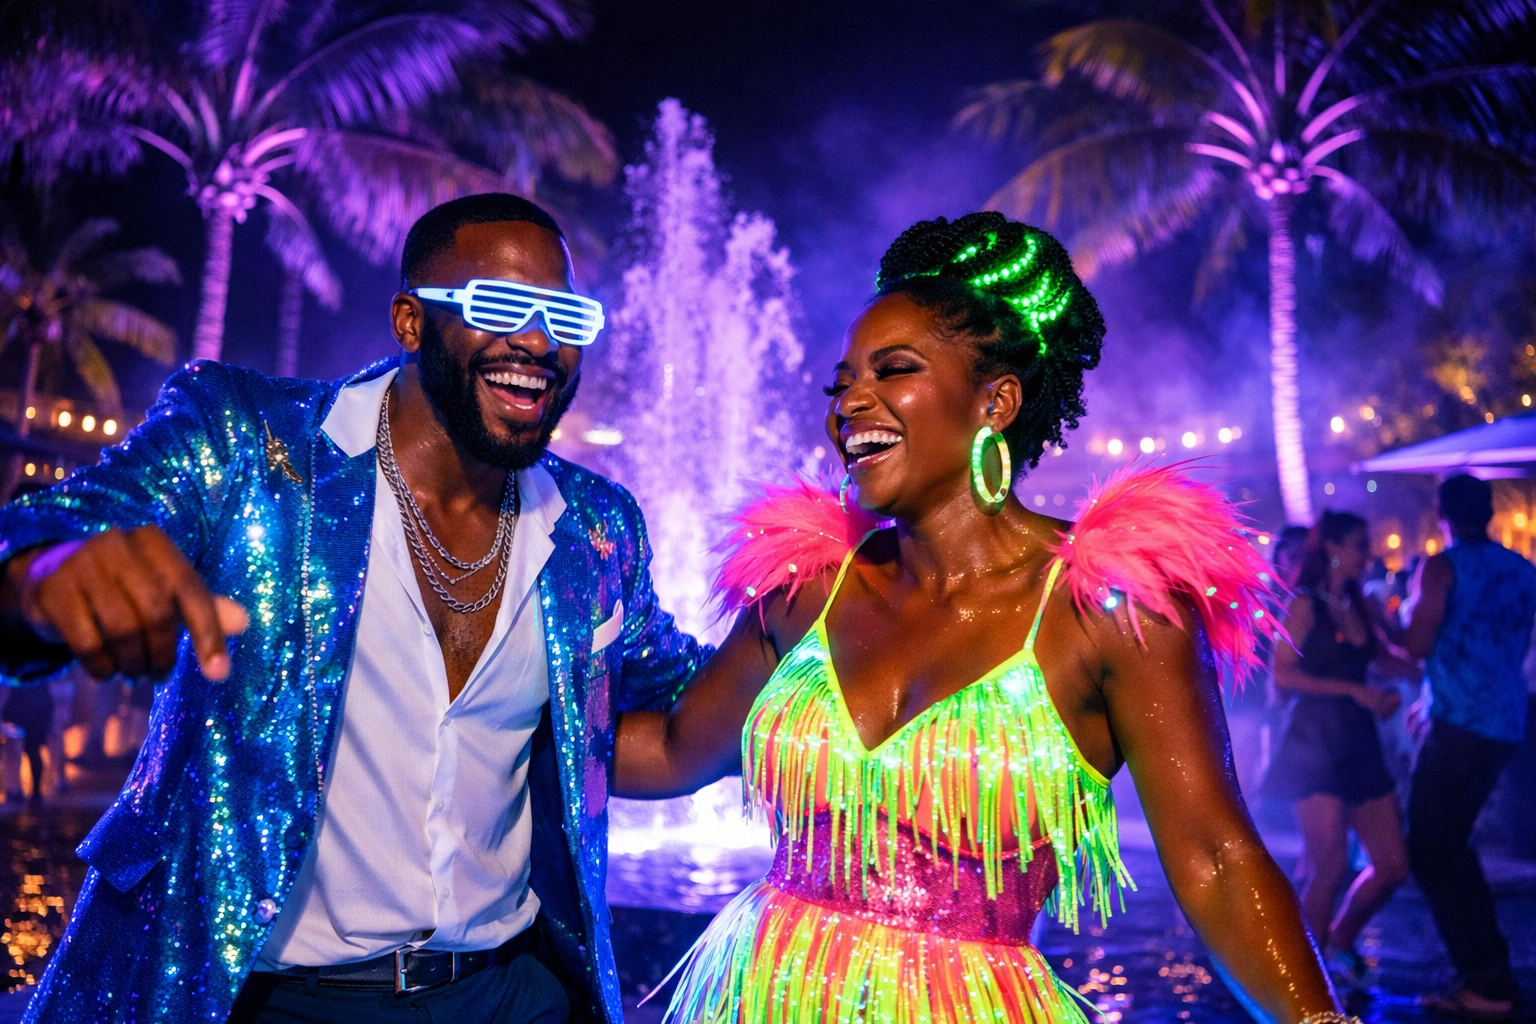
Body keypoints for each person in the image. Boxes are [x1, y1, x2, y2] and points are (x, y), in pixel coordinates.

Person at [612, 213, 1347, 1024]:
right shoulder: (806, 589)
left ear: (995, 401)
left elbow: (1217, 858)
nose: (850, 403)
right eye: (842, 382)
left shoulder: (1106, 607)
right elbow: (676, 749)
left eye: (893, 371)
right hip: (768, 996)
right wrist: (490, 719)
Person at [0, 193, 708, 1024]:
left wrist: (822, 594)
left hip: (510, 991)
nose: (539, 342)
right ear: (411, 322)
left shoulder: (594, 526)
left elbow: (679, 691)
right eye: (501, 306)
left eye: (566, 314)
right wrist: (45, 575)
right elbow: (43, 538)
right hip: (264, 996)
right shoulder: (245, 441)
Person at [1399, 474, 1536, 1018]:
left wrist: (1385, 622)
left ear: (1443, 515)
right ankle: (1490, 971)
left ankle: (1486, 981)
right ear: (1491, 514)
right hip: (1505, 721)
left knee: (1431, 850)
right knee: (1451, 846)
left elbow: (1417, 645)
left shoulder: (1442, 566)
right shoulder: (1523, 570)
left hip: (1459, 726)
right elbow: (1489, 646)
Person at [1262, 511, 1411, 989]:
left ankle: (1339, 937)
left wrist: (1419, 675)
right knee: (1327, 866)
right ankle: (1304, 978)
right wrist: (1353, 691)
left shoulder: (1362, 603)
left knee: (1391, 865)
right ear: (1330, 548)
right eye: (1358, 544)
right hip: (1314, 742)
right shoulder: (1304, 604)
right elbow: (1282, 673)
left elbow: (1389, 657)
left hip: (1359, 741)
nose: (1367, 554)